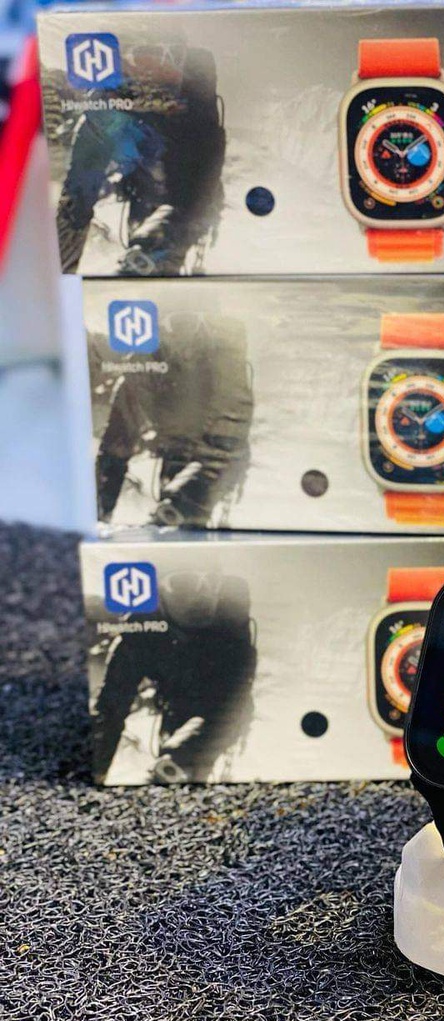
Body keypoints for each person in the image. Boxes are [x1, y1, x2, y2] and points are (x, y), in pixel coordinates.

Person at [54, 42, 225, 275]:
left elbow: (193, 188)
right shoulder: (110, 107)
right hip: (152, 166)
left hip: (173, 168)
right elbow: (80, 188)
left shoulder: (192, 100)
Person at [93, 571, 257, 784]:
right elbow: (111, 707)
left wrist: (179, 753)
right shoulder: (141, 629)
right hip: (175, 694)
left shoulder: (231, 623)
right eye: (183, 631)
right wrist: (97, 769)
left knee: (188, 764)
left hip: (218, 697)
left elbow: (227, 704)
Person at [95, 313, 253, 527]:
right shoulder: (144, 363)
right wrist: (98, 513)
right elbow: (116, 447)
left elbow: (229, 441)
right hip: (176, 464)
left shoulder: (224, 354)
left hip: (217, 468)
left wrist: (185, 501)